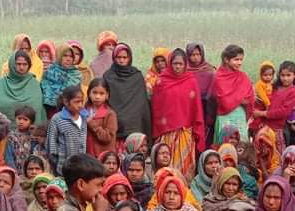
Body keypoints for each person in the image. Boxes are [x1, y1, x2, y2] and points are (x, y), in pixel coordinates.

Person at [152, 48, 205, 179]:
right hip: (166, 133)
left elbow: (196, 107)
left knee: (185, 170)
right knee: (166, 166)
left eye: (180, 64)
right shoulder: (161, 81)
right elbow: (157, 108)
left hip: (185, 132)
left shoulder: (191, 81)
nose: (177, 67)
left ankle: (184, 190)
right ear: (170, 64)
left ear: (185, 64)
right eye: (175, 63)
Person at [104, 43, 152, 141]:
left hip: (134, 124)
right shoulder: (108, 76)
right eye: (118, 57)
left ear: (129, 58)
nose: (121, 60)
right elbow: (106, 101)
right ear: (114, 58)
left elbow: (142, 103)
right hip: (115, 123)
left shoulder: (137, 76)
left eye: (124, 57)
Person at [212, 45, 254, 145]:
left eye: (241, 59)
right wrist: (240, 100)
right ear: (226, 60)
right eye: (236, 59)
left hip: (240, 116)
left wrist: (236, 99)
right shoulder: (219, 77)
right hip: (225, 117)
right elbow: (224, 102)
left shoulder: (243, 76)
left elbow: (249, 98)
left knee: (241, 146)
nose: (239, 63)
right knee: (225, 145)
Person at [0, 50, 46, 131]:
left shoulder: (33, 83)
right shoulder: (2, 82)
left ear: (29, 65)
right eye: (18, 64)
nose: (21, 67)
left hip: (30, 133)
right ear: (12, 64)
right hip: (4, 132)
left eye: (25, 64)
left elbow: (36, 107)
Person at [47, 86, 89, 175]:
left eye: (82, 101)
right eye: (77, 102)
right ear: (66, 102)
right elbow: (51, 144)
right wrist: (58, 162)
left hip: (80, 167)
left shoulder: (84, 117)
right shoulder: (57, 119)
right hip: (63, 168)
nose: (80, 105)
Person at [40, 44, 82, 117]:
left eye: (71, 56)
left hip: (70, 113)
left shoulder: (75, 75)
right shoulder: (49, 73)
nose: (68, 59)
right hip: (50, 112)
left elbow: (78, 98)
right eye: (65, 56)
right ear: (59, 56)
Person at [85, 78, 118, 157]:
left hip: (102, 157)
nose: (97, 96)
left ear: (107, 95)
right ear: (89, 93)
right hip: (86, 155)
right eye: (94, 93)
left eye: (101, 93)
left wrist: (92, 124)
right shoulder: (83, 111)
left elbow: (107, 137)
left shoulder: (110, 114)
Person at [10, 107, 39, 173]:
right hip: (15, 170)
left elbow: (35, 153)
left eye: (25, 120)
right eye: (19, 118)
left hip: (31, 171)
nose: (21, 122)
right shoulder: (11, 136)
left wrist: (34, 135)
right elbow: (9, 156)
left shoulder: (33, 136)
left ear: (31, 122)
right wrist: (14, 171)